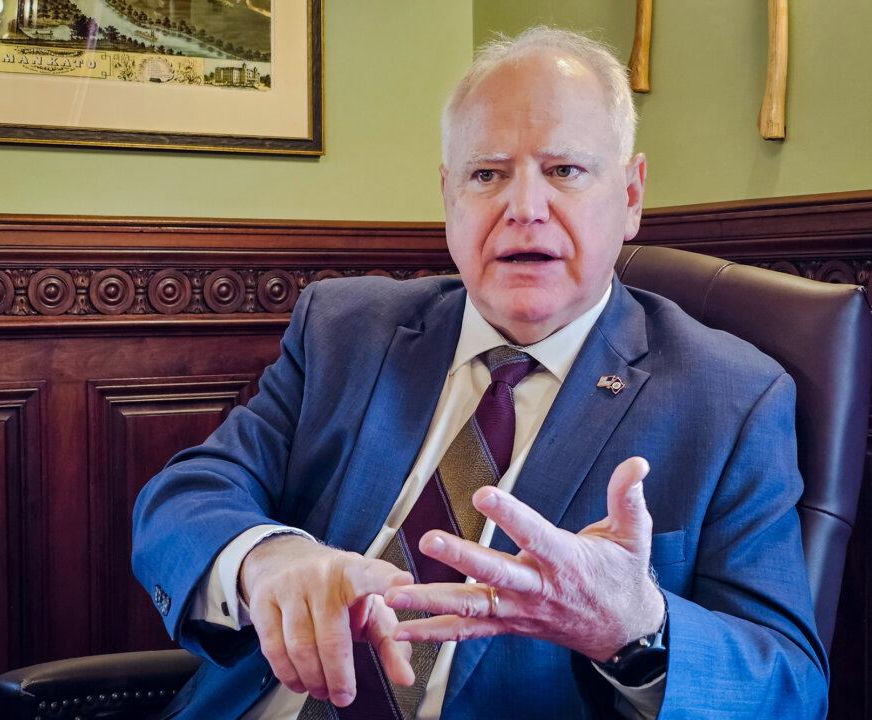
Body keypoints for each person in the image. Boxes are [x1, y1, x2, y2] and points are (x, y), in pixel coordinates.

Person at [132, 27, 828, 719]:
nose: (523, 209)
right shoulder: (345, 329)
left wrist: (634, 628)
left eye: (565, 171)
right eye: (487, 174)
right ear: (449, 198)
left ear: (632, 195)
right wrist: (268, 561)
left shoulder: (730, 398)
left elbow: (790, 689)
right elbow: (188, 495)